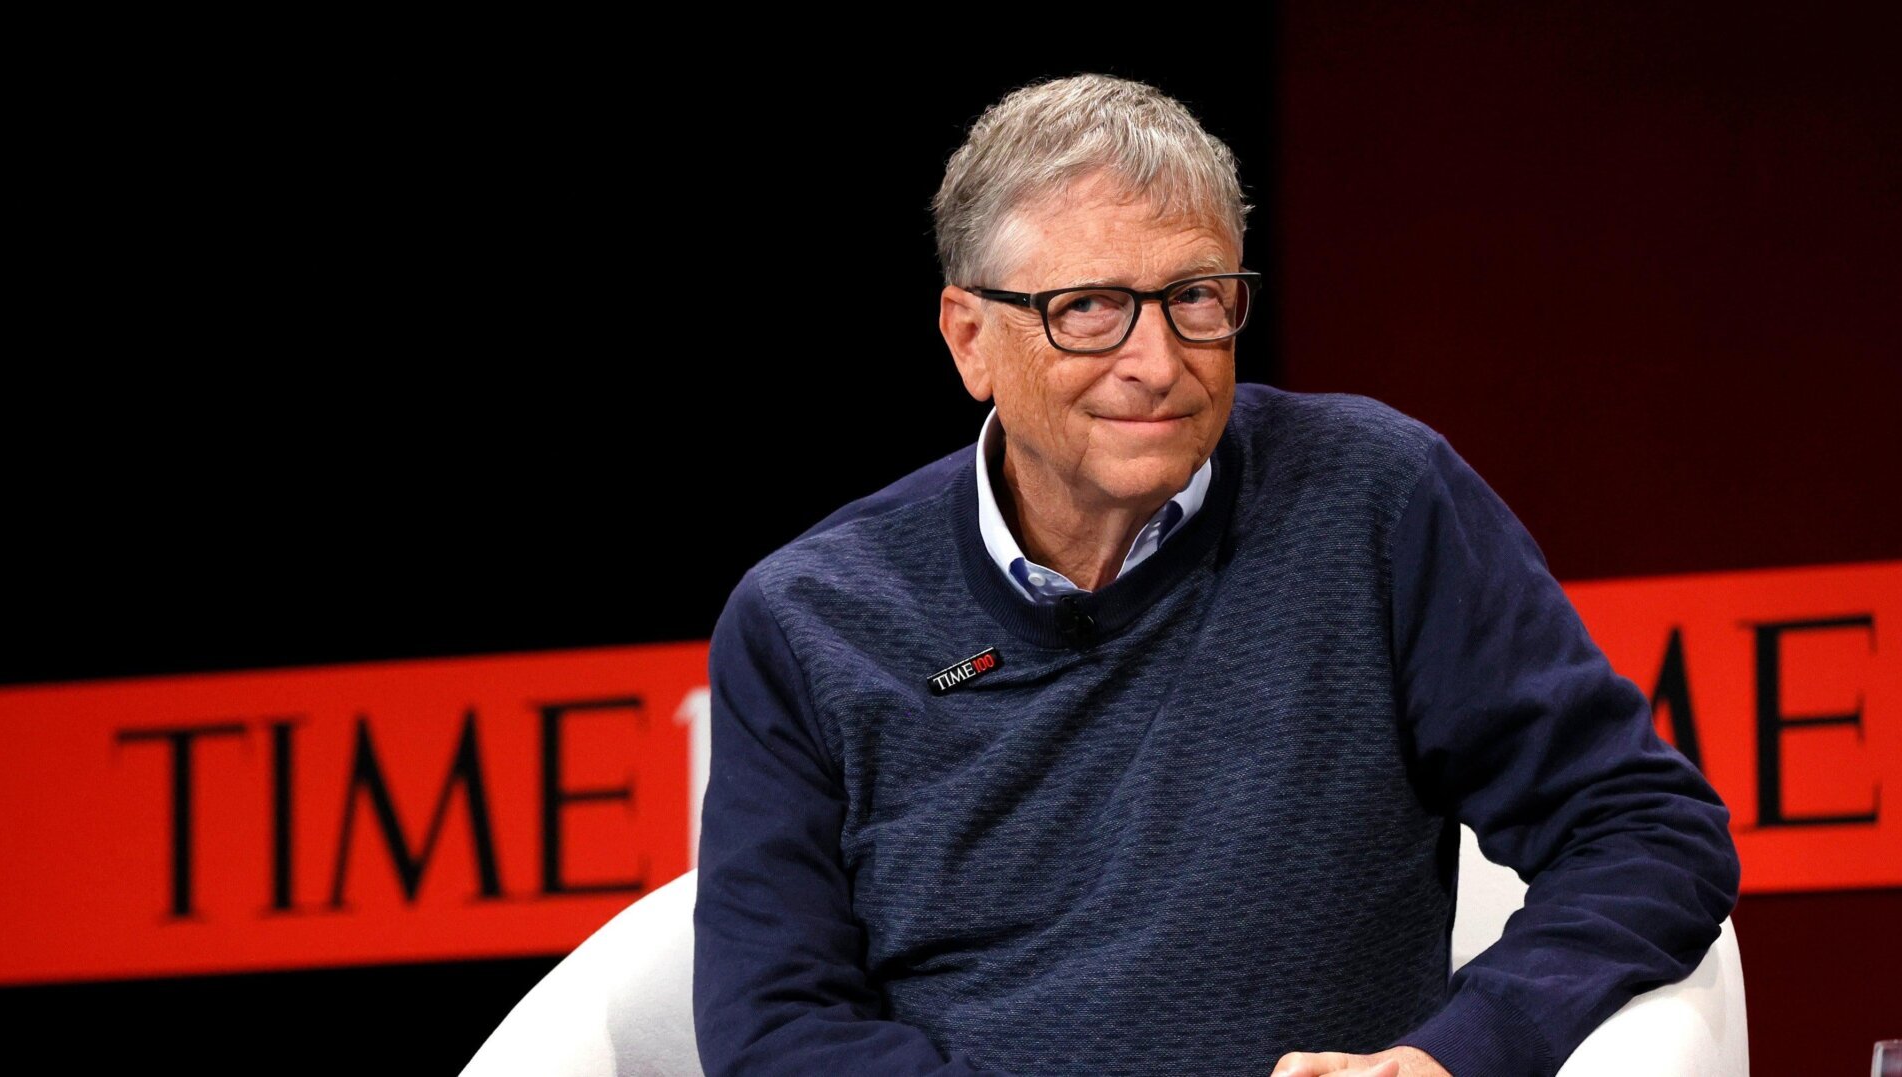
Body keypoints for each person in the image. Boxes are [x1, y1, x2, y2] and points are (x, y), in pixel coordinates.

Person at [692, 74, 1739, 1077]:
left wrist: (1462, 1052)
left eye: (1196, 296)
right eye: (1090, 309)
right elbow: (779, 1024)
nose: (1157, 361)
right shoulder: (809, 619)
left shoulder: (1376, 499)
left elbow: (1643, 831)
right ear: (972, 339)